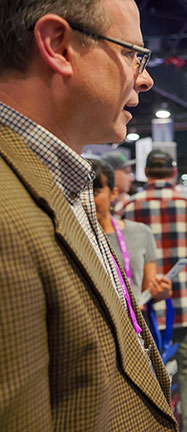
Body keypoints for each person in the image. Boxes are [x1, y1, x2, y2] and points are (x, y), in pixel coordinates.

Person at [0, 0, 177, 430]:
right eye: (132, 53)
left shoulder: (65, 182)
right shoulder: (7, 214)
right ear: (58, 45)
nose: (146, 77)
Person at [122, 150, 187, 432]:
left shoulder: (127, 208)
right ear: (174, 173)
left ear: (146, 173)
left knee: (148, 378)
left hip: (143, 313)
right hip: (186, 308)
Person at [91, 158, 171, 306]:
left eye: (95, 192)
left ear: (113, 193)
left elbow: (148, 290)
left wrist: (160, 292)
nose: (87, 199)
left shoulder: (141, 232)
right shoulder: (73, 237)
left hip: (136, 321)